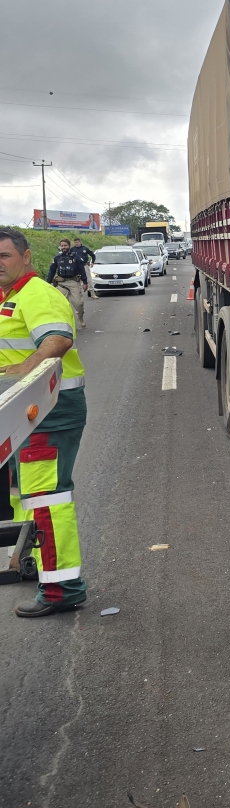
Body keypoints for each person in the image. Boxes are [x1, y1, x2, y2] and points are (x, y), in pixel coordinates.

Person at [0, 228, 88, 616]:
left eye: (3, 255)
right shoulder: (10, 297)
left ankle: (62, 589)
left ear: (26, 256)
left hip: (48, 409)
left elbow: (57, 340)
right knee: (25, 492)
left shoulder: (38, 295)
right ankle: (29, 560)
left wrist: (22, 370)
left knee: (47, 498)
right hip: (22, 411)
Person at [46, 237, 88, 328]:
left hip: (73, 282)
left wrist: (85, 282)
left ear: (69, 246)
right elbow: (51, 271)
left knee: (78, 304)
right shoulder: (57, 258)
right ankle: (65, 323)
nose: (63, 247)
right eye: (62, 246)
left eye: (65, 245)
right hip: (61, 283)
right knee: (61, 304)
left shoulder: (76, 258)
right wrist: (47, 283)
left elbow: (82, 270)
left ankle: (80, 318)